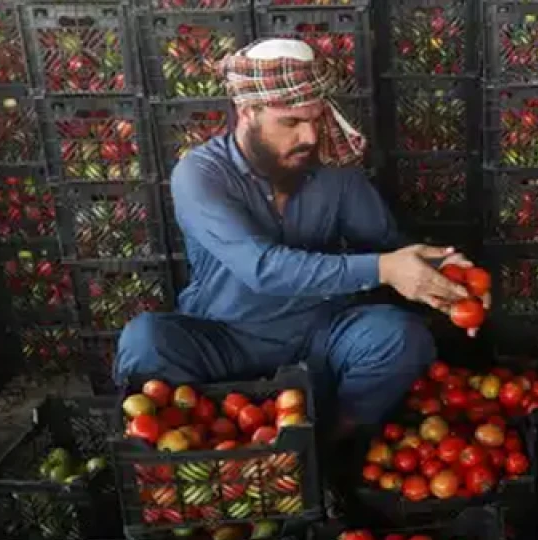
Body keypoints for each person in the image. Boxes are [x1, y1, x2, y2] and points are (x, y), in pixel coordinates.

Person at [115, 38, 482, 426]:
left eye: (316, 119)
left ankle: (329, 451)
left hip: (318, 336)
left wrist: (447, 272)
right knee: (145, 342)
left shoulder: (334, 170)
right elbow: (261, 268)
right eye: (290, 122)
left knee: (400, 337)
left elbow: (388, 246)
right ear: (247, 112)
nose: (309, 136)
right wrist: (386, 269)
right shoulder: (200, 175)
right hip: (225, 335)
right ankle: (206, 450)